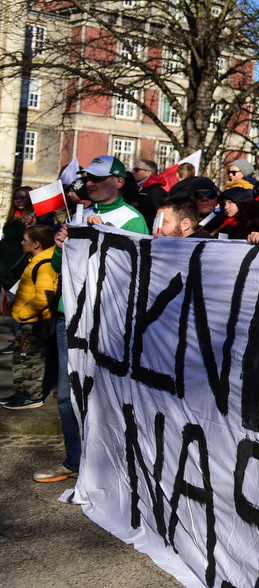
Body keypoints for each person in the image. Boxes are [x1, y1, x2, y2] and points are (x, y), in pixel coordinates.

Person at [42, 154, 151, 484]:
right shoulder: (79, 213)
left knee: (104, 394)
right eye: (87, 176)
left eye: (98, 177)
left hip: (104, 319)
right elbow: (60, 267)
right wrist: (61, 246)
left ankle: (109, 465)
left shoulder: (132, 219)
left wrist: (109, 239)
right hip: (69, 315)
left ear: (119, 183)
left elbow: (137, 271)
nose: (89, 182)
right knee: (66, 396)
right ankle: (74, 459)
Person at [1, 225, 57, 411]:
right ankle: (22, 392)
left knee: (31, 360)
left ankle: (31, 395)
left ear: (36, 244)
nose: (21, 242)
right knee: (22, 358)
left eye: (25, 240)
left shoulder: (44, 265)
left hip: (34, 322)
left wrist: (22, 313)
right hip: (29, 321)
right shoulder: (36, 260)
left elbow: (42, 298)